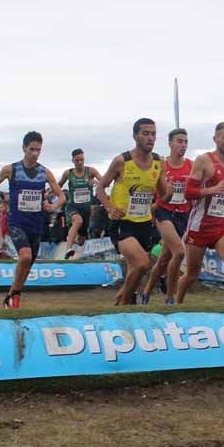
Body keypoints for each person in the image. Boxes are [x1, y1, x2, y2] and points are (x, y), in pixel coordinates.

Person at [0, 131, 68, 309]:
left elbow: (61, 196)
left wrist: (53, 206)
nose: (35, 153)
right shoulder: (11, 169)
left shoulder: (45, 172)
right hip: (16, 222)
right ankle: (14, 296)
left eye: (38, 150)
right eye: (32, 149)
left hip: (36, 223)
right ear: (24, 148)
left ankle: (12, 295)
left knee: (28, 264)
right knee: (25, 256)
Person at [96, 118, 172, 306]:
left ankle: (124, 300)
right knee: (142, 263)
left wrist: (173, 190)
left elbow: (164, 196)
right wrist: (110, 208)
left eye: (153, 133)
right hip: (121, 222)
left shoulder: (159, 161)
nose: (150, 137)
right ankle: (123, 305)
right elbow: (100, 188)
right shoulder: (122, 161)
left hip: (144, 223)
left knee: (135, 268)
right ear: (135, 136)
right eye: (145, 133)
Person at [175, 122, 224, 304]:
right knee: (192, 274)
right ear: (215, 139)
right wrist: (212, 189)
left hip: (222, 225)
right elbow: (188, 193)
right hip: (200, 226)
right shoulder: (203, 161)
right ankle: (176, 303)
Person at [141, 128, 192, 305]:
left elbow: (194, 190)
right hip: (163, 211)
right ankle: (170, 297)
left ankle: (145, 293)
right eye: (179, 141)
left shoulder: (190, 165)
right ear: (170, 143)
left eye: (185, 142)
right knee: (178, 252)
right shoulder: (161, 163)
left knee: (164, 260)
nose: (183, 145)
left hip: (182, 214)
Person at [59, 148, 103, 259]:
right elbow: (58, 185)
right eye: (77, 160)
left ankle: (75, 241)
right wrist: (49, 193)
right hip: (73, 206)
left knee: (81, 241)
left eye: (81, 160)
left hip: (87, 208)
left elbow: (104, 181)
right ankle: (68, 249)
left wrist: (98, 182)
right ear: (72, 160)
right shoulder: (68, 173)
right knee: (78, 221)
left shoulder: (91, 171)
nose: (79, 162)